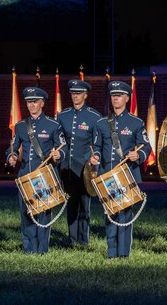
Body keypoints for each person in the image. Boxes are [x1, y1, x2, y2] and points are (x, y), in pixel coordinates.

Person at [91, 80, 148, 258]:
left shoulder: (136, 123)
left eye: (119, 96)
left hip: (127, 174)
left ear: (127, 98)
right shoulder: (101, 123)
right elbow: (97, 147)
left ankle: (123, 253)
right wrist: (95, 157)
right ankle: (111, 251)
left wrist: (138, 155)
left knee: (125, 214)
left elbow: (146, 146)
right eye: (113, 96)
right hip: (107, 174)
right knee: (109, 213)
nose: (115, 99)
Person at [7, 87, 66, 254]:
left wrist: (58, 154)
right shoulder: (19, 126)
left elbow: (63, 147)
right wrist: (10, 156)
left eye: (34, 102)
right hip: (25, 174)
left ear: (42, 103)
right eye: (28, 102)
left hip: (44, 176)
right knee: (26, 212)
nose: (31, 105)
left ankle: (42, 249)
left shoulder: (53, 125)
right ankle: (28, 248)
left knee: (43, 213)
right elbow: (13, 147)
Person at [56, 78, 105, 248]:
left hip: (85, 169)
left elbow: (98, 144)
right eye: (72, 93)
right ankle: (72, 239)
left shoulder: (94, 117)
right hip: (68, 168)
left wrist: (95, 163)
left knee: (85, 205)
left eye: (78, 93)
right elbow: (59, 142)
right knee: (71, 203)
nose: (75, 96)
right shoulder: (62, 116)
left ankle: (83, 240)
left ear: (85, 95)